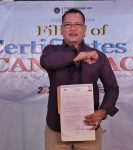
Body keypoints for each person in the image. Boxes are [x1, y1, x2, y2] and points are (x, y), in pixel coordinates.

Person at [40, 8, 119, 150]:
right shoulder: (51, 51)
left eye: (78, 25)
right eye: (68, 24)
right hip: (56, 131)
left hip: (89, 129)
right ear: (61, 29)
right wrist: (80, 56)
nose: (73, 28)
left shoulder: (99, 56)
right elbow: (47, 62)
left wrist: (103, 111)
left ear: (85, 29)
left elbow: (112, 88)